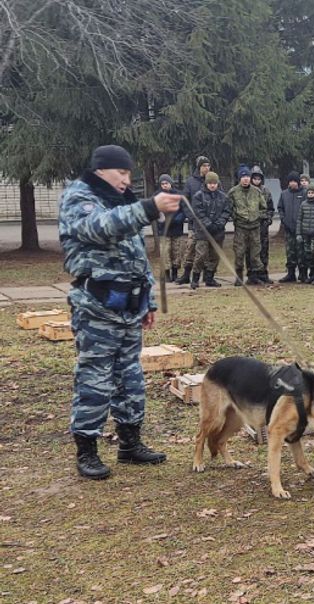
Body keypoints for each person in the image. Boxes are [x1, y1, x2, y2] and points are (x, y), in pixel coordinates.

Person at [59, 145, 180, 479]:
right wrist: (148, 207)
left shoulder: (122, 200)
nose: (127, 179)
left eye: (129, 173)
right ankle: (87, 449)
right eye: (121, 173)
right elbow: (100, 228)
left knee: (130, 379)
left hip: (128, 308)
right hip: (96, 307)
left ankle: (130, 443)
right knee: (95, 379)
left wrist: (148, 302)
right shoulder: (79, 197)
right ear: (101, 171)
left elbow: (136, 256)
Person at [226, 166, 268, 286]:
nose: (246, 179)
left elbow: (263, 207)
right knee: (239, 253)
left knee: (255, 253)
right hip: (241, 227)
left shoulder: (257, 191)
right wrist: (236, 217)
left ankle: (254, 277)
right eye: (243, 177)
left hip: (255, 227)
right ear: (239, 178)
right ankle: (239, 277)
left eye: (247, 177)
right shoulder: (233, 192)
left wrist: (257, 216)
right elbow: (229, 208)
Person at [190, 171, 230, 289]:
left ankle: (210, 278)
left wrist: (219, 223)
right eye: (210, 183)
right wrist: (208, 224)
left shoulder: (223, 197)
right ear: (206, 183)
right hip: (203, 232)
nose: (212, 185)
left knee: (215, 256)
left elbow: (226, 211)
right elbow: (198, 212)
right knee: (201, 255)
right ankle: (195, 278)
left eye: (214, 183)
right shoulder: (198, 196)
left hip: (218, 231)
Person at [175, 156, 212, 285]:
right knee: (190, 248)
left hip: (209, 223)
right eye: (204, 166)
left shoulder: (213, 180)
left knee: (207, 251)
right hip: (194, 223)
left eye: (208, 165)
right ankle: (186, 274)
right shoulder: (191, 182)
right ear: (199, 167)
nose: (206, 168)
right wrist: (191, 217)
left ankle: (208, 276)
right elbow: (185, 201)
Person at [153, 174, 186, 282]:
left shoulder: (179, 195)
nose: (164, 185)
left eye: (166, 183)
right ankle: (166, 273)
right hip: (164, 229)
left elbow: (183, 210)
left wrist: (177, 219)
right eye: (162, 184)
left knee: (177, 252)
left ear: (170, 183)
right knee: (165, 252)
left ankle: (175, 273)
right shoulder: (157, 196)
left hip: (177, 228)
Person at [277, 172, 305, 283]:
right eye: (290, 181)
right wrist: (284, 220)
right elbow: (280, 208)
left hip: (301, 229)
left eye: (294, 181)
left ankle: (303, 274)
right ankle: (290, 273)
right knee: (290, 252)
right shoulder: (284, 194)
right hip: (288, 229)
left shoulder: (304, 193)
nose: (292, 183)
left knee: (301, 252)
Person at [249, 166, 274, 284]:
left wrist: (268, 219)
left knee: (264, 250)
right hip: (251, 225)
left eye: (259, 178)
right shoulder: (247, 191)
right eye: (254, 178)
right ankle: (252, 274)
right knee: (251, 251)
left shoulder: (266, 191)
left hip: (263, 225)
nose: (256, 180)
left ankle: (263, 274)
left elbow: (271, 208)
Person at [296, 186, 314, 283]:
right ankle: (305, 275)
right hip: (305, 234)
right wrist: (298, 233)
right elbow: (299, 219)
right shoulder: (303, 204)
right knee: (306, 254)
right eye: (309, 193)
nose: (310, 194)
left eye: (312, 193)